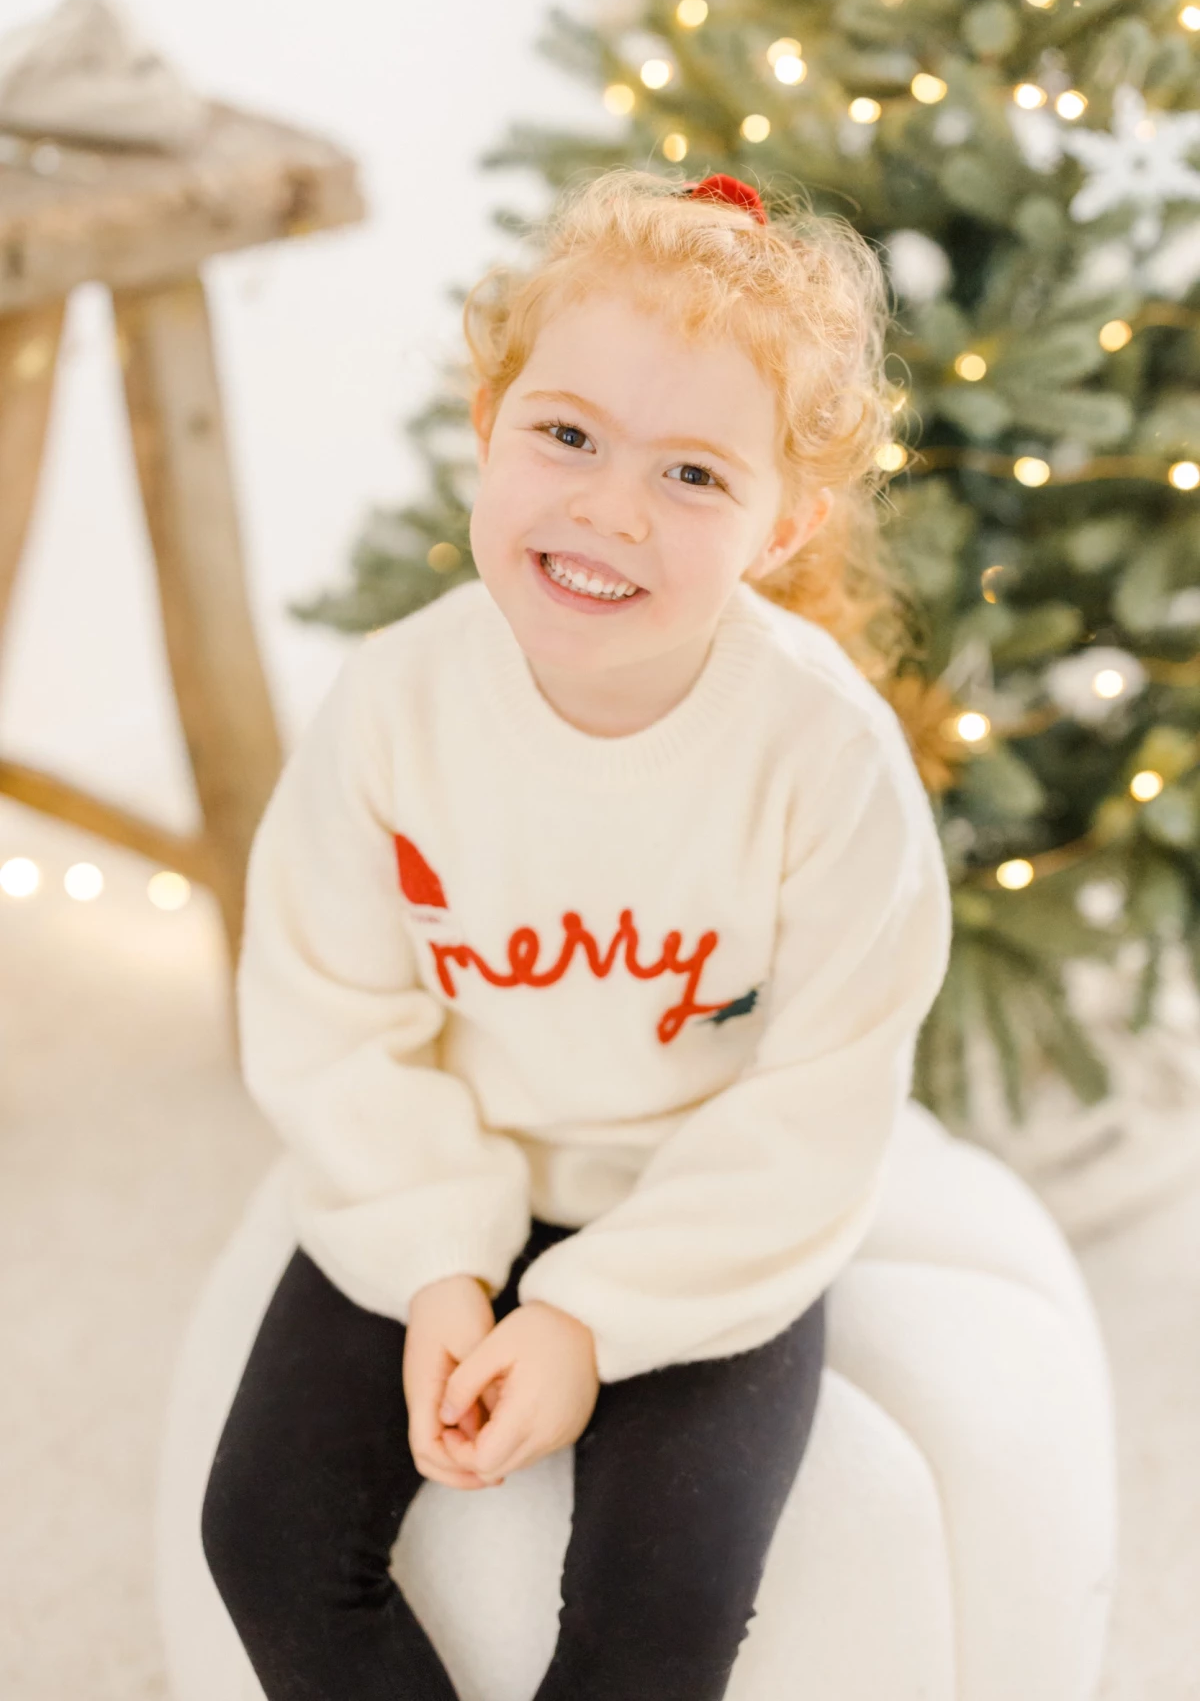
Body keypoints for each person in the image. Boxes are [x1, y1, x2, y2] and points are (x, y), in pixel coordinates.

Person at [199, 166, 953, 1701]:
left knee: (661, 1602)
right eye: (567, 436)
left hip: (705, 1209)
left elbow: (819, 1095)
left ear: (783, 522)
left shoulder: (823, 757)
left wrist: (591, 1322)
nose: (610, 508)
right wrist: (438, 1273)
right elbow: (331, 1014)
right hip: (450, 1171)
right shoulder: (394, 709)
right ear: (490, 421)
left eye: (692, 476)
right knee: (266, 1535)